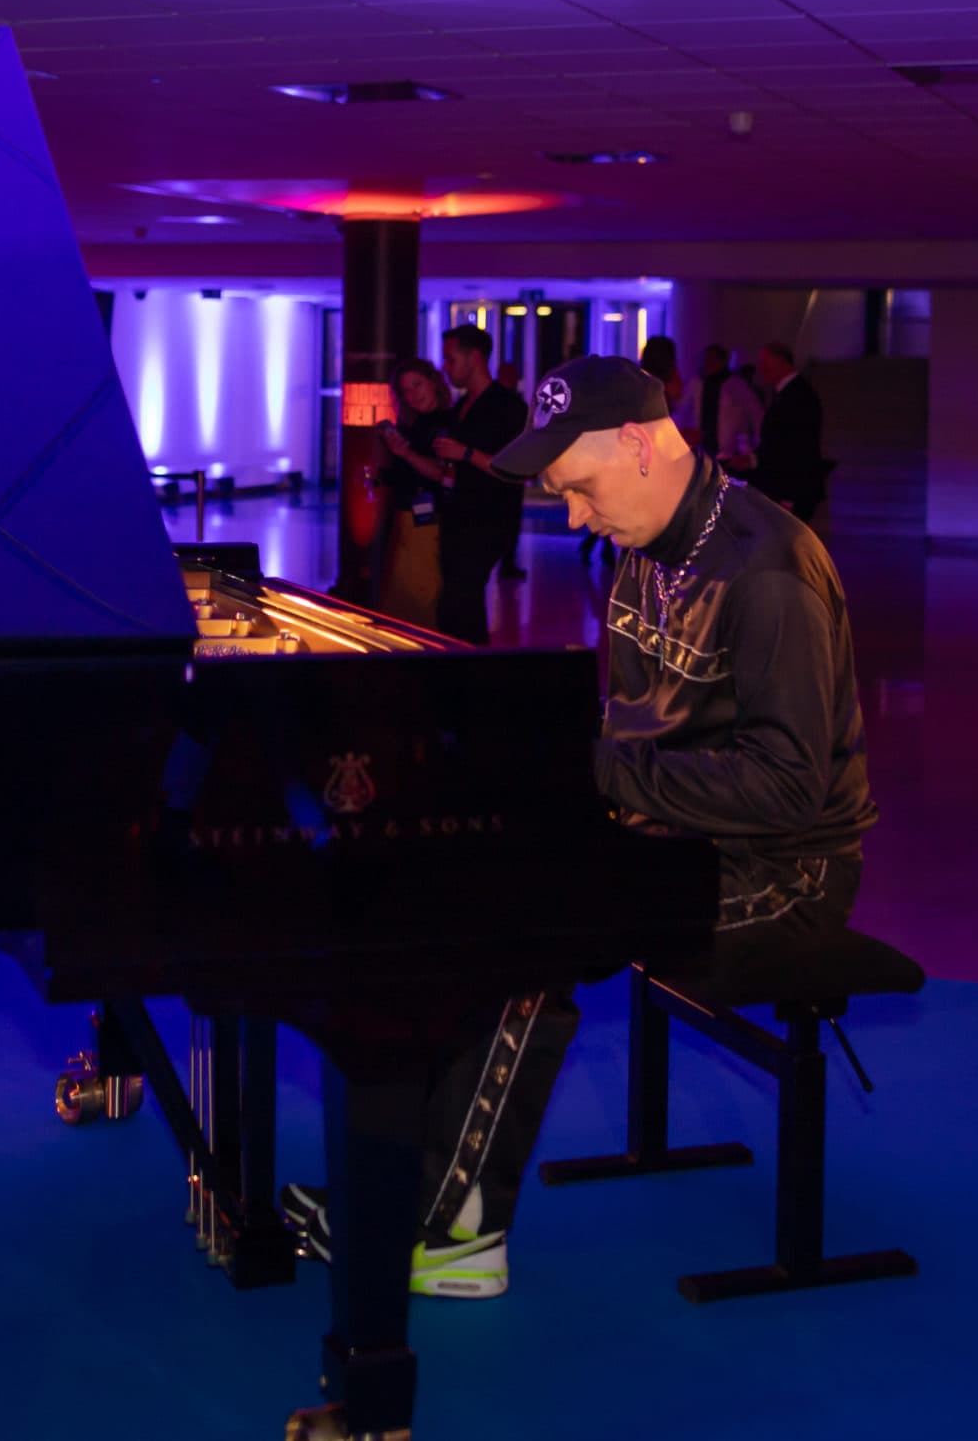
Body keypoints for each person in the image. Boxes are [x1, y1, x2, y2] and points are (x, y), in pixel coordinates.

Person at [281, 355, 879, 1298]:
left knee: (534, 936)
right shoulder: (647, 546)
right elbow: (629, 735)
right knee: (459, 894)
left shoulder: (768, 569)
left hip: (781, 874)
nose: (572, 518)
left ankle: (452, 1229)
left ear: (637, 444)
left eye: (577, 488)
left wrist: (587, 771)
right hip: (669, 841)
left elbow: (788, 789)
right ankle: (398, 1179)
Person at [429, 326, 528, 644]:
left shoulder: (508, 406)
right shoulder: (460, 407)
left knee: (462, 599)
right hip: (456, 517)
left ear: (474, 358)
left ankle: (471, 664)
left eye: (451, 359)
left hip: (488, 520)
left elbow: (518, 468)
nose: (446, 367)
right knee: (453, 604)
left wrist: (466, 454)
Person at [371, 358, 452, 628]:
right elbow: (403, 473)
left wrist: (404, 453)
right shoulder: (412, 424)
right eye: (406, 390)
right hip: (407, 517)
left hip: (430, 520)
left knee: (418, 591)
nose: (413, 394)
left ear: (433, 382)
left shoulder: (446, 423)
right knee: (401, 592)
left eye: (418, 385)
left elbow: (439, 472)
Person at [745, 341, 825, 520]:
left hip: (791, 489)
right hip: (789, 487)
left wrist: (789, 497)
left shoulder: (797, 395)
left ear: (781, 362)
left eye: (765, 362)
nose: (761, 368)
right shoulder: (790, 393)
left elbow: (797, 447)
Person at [495, 360, 529, 580]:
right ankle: (506, 562)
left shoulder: (490, 404)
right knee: (509, 519)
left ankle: (503, 561)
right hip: (510, 471)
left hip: (496, 469)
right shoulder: (517, 405)